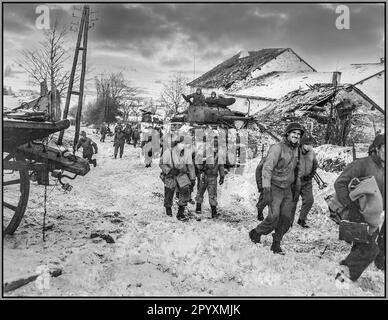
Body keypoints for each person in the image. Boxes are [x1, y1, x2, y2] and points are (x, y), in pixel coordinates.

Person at [334, 133, 385, 283]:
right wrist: (351, 206)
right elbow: (340, 183)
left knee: (362, 248)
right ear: (377, 148)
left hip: (372, 218)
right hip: (355, 213)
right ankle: (342, 278)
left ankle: (344, 276)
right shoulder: (362, 164)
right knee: (369, 249)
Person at [248, 122, 304, 255]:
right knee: (274, 217)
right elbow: (267, 169)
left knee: (286, 218)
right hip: (275, 187)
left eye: (298, 134)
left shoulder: (297, 149)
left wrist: (297, 188)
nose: (296, 136)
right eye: (294, 133)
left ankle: (276, 243)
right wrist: (266, 189)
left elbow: (296, 169)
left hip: (287, 189)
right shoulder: (277, 148)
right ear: (287, 134)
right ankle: (256, 232)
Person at [160, 135, 196, 221]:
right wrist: (168, 170)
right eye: (182, 143)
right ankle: (168, 209)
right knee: (169, 191)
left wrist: (192, 178)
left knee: (185, 190)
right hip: (171, 175)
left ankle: (180, 212)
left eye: (185, 144)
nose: (183, 145)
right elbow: (161, 163)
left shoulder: (186, 153)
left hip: (181, 174)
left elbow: (190, 166)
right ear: (177, 143)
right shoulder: (168, 152)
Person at [290, 134, 318, 228]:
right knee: (293, 202)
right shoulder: (295, 152)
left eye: (310, 144)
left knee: (309, 200)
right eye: (307, 144)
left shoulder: (312, 153)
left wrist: (311, 175)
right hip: (296, 181)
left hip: (307, 181)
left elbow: (315, 165)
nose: (309, 146)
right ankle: (288, 221)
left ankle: (302, 219)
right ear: (302, 144)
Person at [195, 139, 225, 218]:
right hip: (204, 175)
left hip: (213, 177)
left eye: (216, 146)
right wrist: (202, 167)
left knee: (212, 194)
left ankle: (214, 212)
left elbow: (221, 166)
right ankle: (198, 208)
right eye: (214, 146)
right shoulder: (205, 153)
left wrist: (222, 176)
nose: (215, 148)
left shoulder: (219, 155)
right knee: (200, 192)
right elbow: (198, 163)